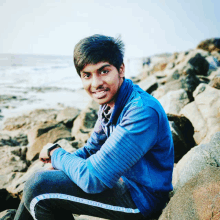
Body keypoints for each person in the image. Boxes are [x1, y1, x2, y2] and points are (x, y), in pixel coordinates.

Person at [14, 34, 174, 220]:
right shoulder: (110, 104)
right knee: (41, 179)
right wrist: (57, 165)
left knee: (38, 187)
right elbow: (91, 149)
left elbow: (93, 180)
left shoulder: (141, 111)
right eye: (87, 75)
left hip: (143, 200)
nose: (96, 83)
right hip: (123, 183)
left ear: (121, 69)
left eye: (104, 71)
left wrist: (56, 154)